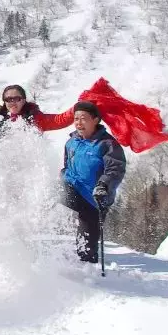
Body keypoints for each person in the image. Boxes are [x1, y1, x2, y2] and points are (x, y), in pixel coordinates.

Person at [60, 101, 126, 263]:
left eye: (83, 118)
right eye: (76, 119)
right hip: (73, 188)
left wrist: (103, 185)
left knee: (87, 249)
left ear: (95, 120)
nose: (79, 123)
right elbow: (66, 166)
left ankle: (90, 272)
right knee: (46, 191)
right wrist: (63, 176)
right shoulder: (71, 143)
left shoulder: (107, 144)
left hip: (95, 198)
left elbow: (115, 169)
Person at [0, 85, 74, 132]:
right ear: (4, 102)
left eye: (16, 99)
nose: (12, 102)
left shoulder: (34, 118)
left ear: (23, 101)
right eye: (8, 99)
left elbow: (60, 120)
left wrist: (78, 108)